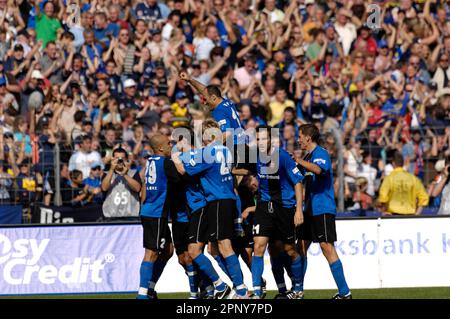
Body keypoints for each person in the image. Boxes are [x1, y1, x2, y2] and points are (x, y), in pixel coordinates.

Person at [172, 119, 249, 299]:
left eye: (203, 135)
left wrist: (175, 154)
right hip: (228, 199)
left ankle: (241, 290)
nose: (202, 138)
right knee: (218, 248)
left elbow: (183, 170)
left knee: (224, 246)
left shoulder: (207, 152)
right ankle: (236, 288)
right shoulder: (225, 151)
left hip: (217, 200)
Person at [296, 123, 351, 299]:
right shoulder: (309, 156)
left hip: (322, 209)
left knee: (327, 248)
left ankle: (345, 293)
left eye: (300, 136)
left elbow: (319, 170)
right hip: (309, 210)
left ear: (308, 137)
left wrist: (299, 161)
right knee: (300, 248)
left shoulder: (321, 154)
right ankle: (298, 291)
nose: (298, 140)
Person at [249, 125, 304, 299]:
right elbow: (245, 168)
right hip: (264, 206)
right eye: (258, 139)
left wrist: (299, 210)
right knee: (259, 247)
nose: (261, 142)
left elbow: (297, 182)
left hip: (285, 208)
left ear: (271, 139)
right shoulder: (255, 155)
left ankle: (297, 288)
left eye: (264, 138)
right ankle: (258, 292)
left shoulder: (283, 157)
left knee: (289, 249)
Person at [136, 134, 176, 299]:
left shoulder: (151, 161)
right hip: (156, 214)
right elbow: (181, 177)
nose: (171, 145)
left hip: (150, 211)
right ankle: (142, 294)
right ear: (160, 148)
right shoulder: (166, 163)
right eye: (168, 143)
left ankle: (150, 287)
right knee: (151, 253)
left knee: (168, 250)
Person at [101, 146, 141, 219]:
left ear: (126, 160)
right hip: (111, 215)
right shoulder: (107, 173)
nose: (119, 161)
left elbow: (137, 188)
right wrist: (111, 169)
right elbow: (104, 188)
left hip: (131, 215)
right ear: (112, 159)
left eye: (122, 158)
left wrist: (125, 174)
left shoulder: (133, 173)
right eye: (117, 158)